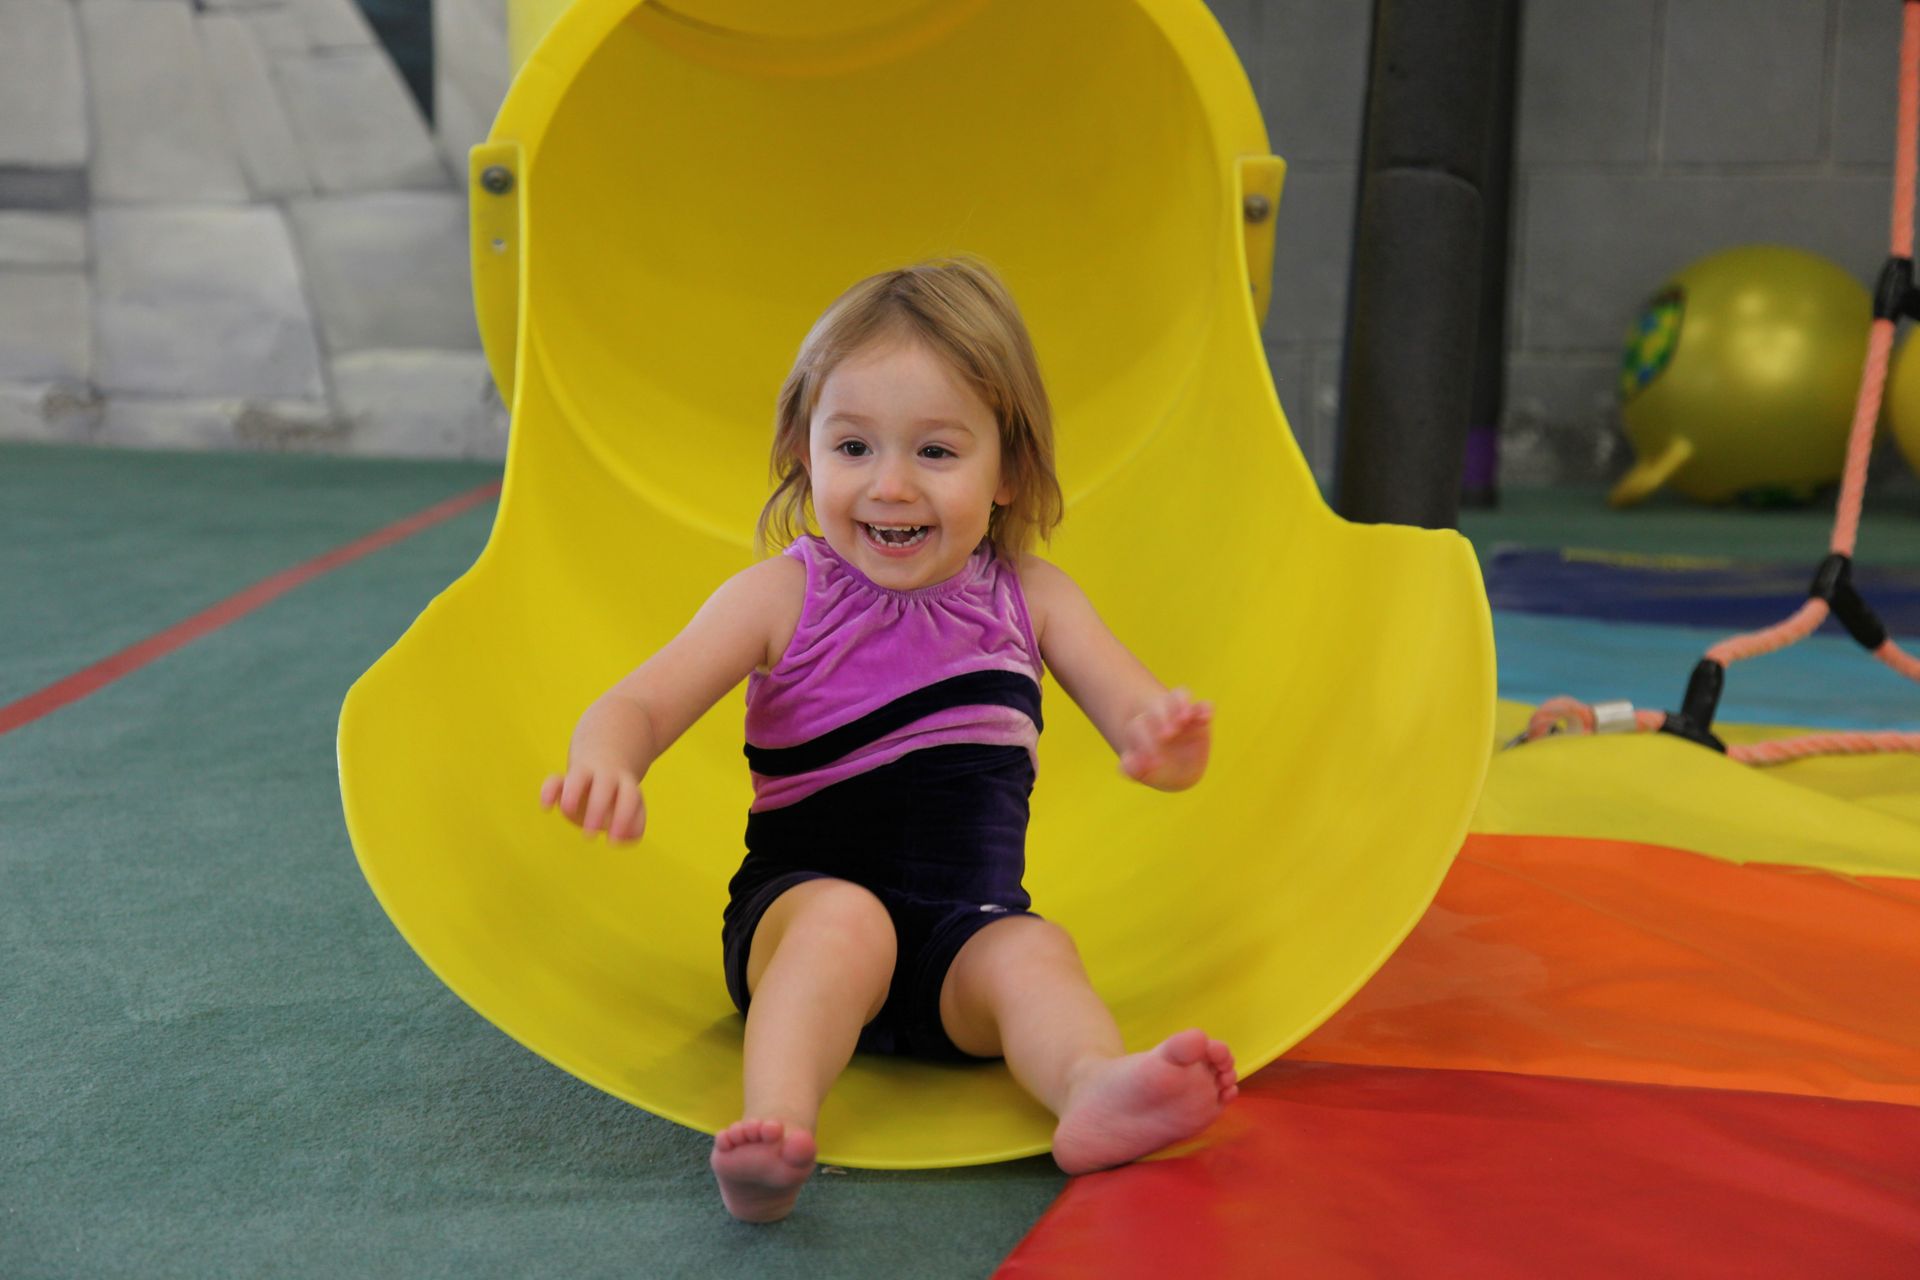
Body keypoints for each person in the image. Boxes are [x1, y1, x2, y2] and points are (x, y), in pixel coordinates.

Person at [539, 257, 1236, 1223]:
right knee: (845, 925)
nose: (891, 486)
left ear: (1010, 471)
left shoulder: (1032, 600)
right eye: (854, 447)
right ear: (802, 449)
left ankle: (1089, 1085)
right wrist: (606, 760)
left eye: (937, 454)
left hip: (963, 940)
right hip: (796, 921)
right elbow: (639, 705)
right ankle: (774, 1129)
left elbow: (1138, 716)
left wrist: (1168, 749)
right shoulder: (783, 597)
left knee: (1036, 951)